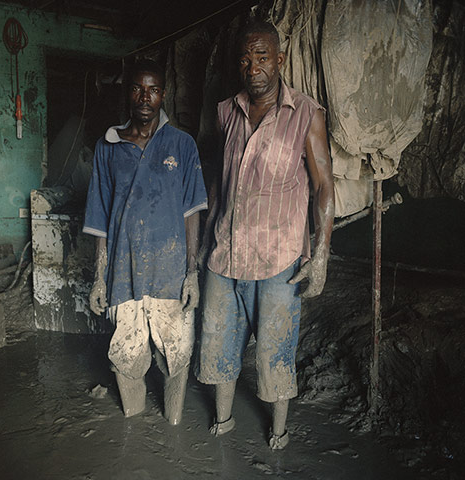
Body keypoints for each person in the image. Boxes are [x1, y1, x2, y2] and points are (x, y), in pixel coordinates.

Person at [195, 20, 334, 449]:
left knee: (275, 347)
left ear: (279, 60)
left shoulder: (306, 114)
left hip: (279, 257)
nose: (252, 67)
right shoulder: (225, 112)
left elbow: (324, 184)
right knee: (217, 338)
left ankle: (278, 429)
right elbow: (221, 179)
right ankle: (223, 420)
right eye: (244, 59)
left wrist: (322, 254)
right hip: (226, 253)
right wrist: (205, 241)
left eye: (261, 57)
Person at [83, 59, 207, 424]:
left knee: (177, 355)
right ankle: (133, 425)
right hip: (125, 275)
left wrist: (191, 274)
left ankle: (173, 426)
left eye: (153, 90)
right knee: (126, 356)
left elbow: (192, 212)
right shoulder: (108, 146)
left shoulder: (181, 145)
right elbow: (98, 217)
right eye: (138, 89)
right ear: (129, 93)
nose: (145, 97)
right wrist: (99, 276)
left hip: (170, 275)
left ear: (163, 95)